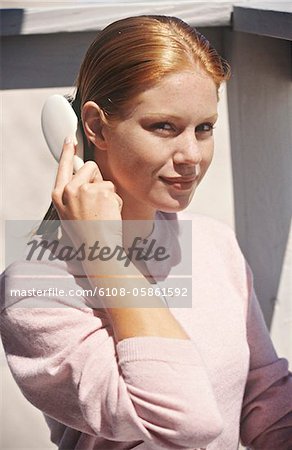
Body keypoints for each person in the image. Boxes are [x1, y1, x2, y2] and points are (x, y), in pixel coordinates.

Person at [1, 15, 292, 450]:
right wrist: (103, 252)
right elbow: (183, 422)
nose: (192, 155)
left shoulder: (213, 243)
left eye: (205, 128)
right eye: (163, 127)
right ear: (95, 127)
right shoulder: (35, 289)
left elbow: (264, 400)